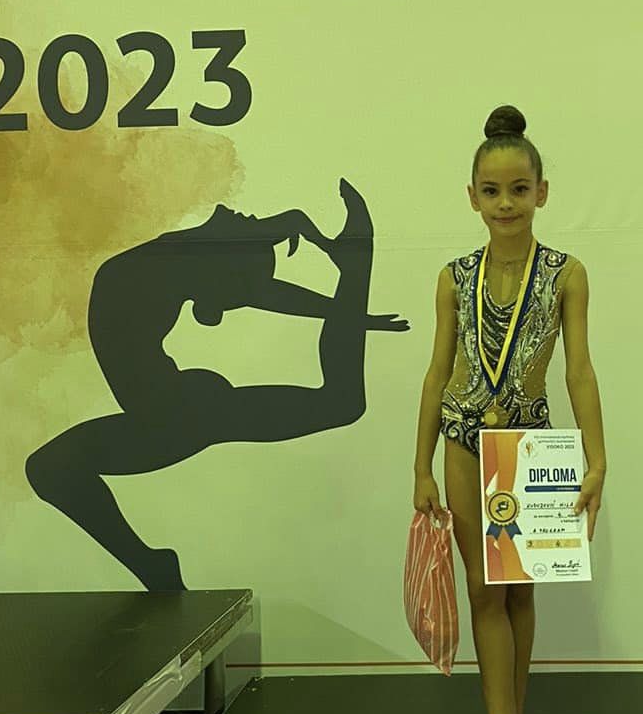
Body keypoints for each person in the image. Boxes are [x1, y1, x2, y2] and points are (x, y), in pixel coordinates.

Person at [26, 181, 408, 590]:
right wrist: (348, 306)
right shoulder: (169, 264)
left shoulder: (169, 264)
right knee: (341, 403)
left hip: (178, 414)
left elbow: (258, 287)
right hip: (171, 412)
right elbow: (256, 285)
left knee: (342, 402)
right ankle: (152, 566)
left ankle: (355, 266)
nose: (230, 213)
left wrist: (349, 306)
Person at [413, 106, 606, 714]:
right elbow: (437, 372)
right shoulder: (454, 277)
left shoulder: (565, 274)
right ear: (472, 197)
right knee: (482, 587)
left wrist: (598, 460)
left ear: (541, 192)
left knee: (521, 591)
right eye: (492, 191)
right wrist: (420, 467)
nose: (506, 203)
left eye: (519, 189)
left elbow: (579, 371)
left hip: (528, 449)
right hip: (464, 442)